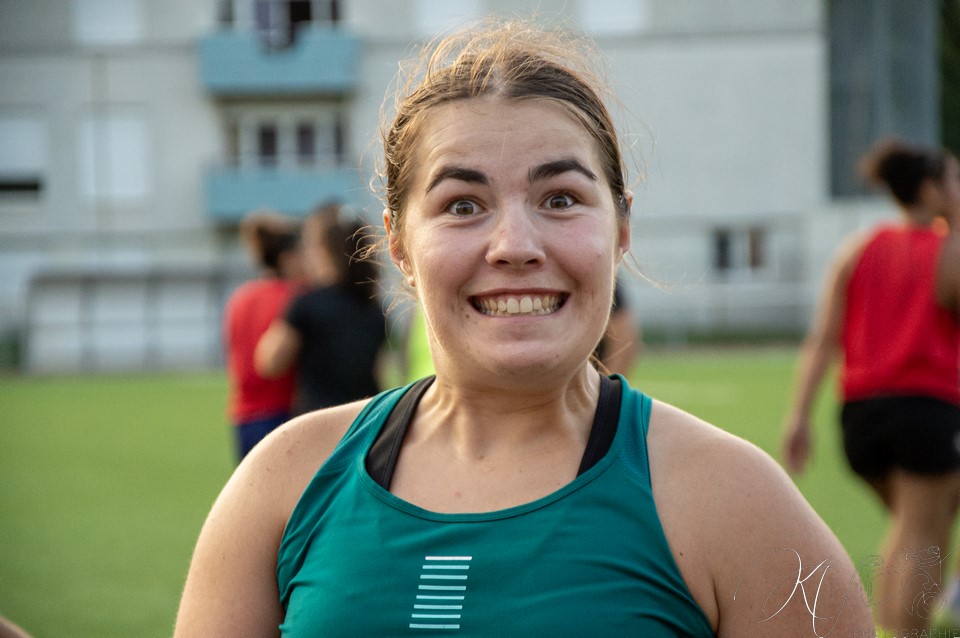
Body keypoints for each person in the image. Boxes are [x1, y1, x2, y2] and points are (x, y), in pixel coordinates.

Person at [175, 20, 873, 636]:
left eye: (560, 198)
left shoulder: (738, 503)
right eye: (462, 205)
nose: (514, 244)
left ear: (621, 227)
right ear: (398, 245)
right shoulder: (285, 483)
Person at [782, 139, 960, 633]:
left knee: (914, 526)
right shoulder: (948, 251)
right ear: (931, 191)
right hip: (925, 409)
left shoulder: (857, 249)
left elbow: (823, 339)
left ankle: (903, 622)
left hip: (861, 416)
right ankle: (903, 631)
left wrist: (799, 416)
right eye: (955, 180)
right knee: (920, 533)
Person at [255, 206, 387, 414]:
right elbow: (378, 371)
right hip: (367, 416)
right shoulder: (374, 307)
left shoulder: (307, 304)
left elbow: (270, 363)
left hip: (319, 417)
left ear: (324, 251)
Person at [222, 210, 304, 461]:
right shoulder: (298, 297)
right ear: (288, 258)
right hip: (284, 411)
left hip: (244, 415)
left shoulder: (239, 298)